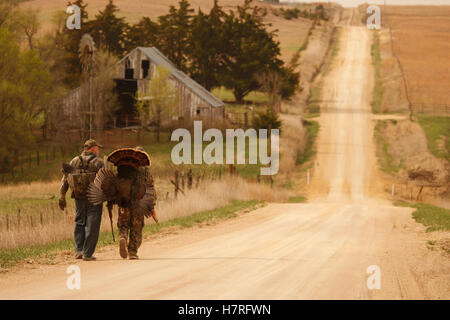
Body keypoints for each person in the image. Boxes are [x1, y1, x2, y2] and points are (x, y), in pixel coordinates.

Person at [59, 139, 104, 261]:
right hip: (94, 198)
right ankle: (87, 254)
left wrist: (62, 195)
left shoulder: (74, 160)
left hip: (78, 197)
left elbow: (65, 178)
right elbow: (106, 181)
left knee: (79, 222)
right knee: (93, 224)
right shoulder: (99, 162)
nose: (98, 150)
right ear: (93, 148)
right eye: (97, 148)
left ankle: (78, 250)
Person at [117, 146, 157, 260]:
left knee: (123, 223)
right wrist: (151, 206)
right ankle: (132, 252)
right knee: (137, 226)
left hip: (124, 201)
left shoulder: (123, 168)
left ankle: (123, 237)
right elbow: (150, 189)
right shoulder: (145, 171)